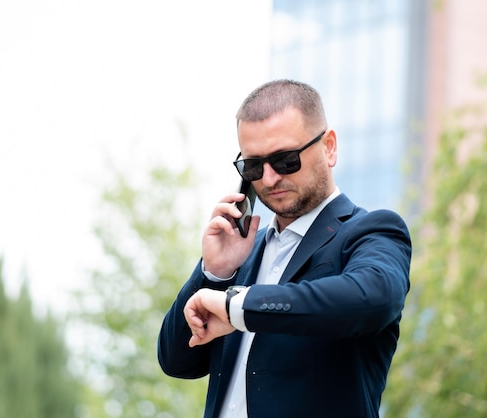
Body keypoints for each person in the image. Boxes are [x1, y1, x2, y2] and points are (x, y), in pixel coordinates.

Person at [157, 79, 412, 418]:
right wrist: (215, 272)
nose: (269, 178)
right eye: (253, 166)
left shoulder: (371, 231)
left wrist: (239, 306)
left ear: (329, 147)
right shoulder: (242, 255)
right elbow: (177, 362)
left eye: (286, 159)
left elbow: (370, 299)